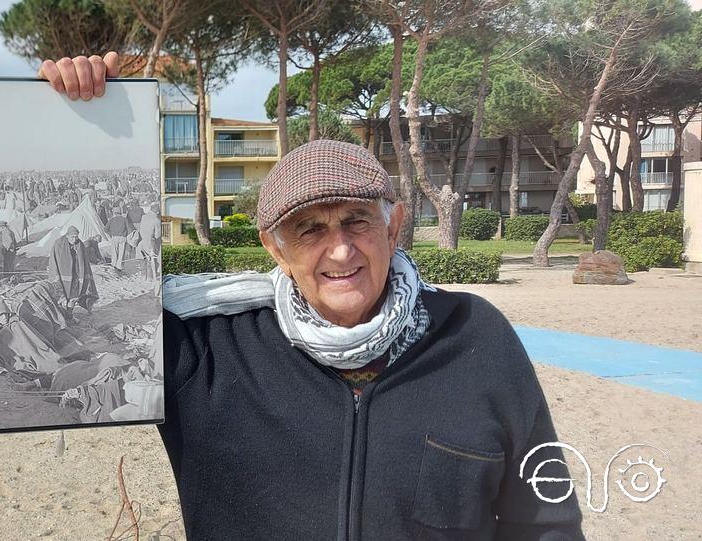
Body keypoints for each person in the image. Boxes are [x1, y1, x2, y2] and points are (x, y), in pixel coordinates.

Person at [41, 55, 585, 539]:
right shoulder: (205, 349)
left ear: (394, 227)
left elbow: (546, 521)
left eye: (357, 222)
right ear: (275, 249)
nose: (341, 251)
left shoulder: (475, 337)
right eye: (309, 230)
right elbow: (58, 340)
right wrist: (89, 123)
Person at [47, 226, 98, 312]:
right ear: (67, 235)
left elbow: (84, 261)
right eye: (72, 237)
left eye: (76, 237)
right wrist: (55, 275)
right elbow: (53, 261)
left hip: (76, 275)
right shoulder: (58, 244)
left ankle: (69, 315)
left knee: (73, 297)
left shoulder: (80, 244)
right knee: (62, 297)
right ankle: (63, 314)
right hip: (63, 276)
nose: (74, 239)